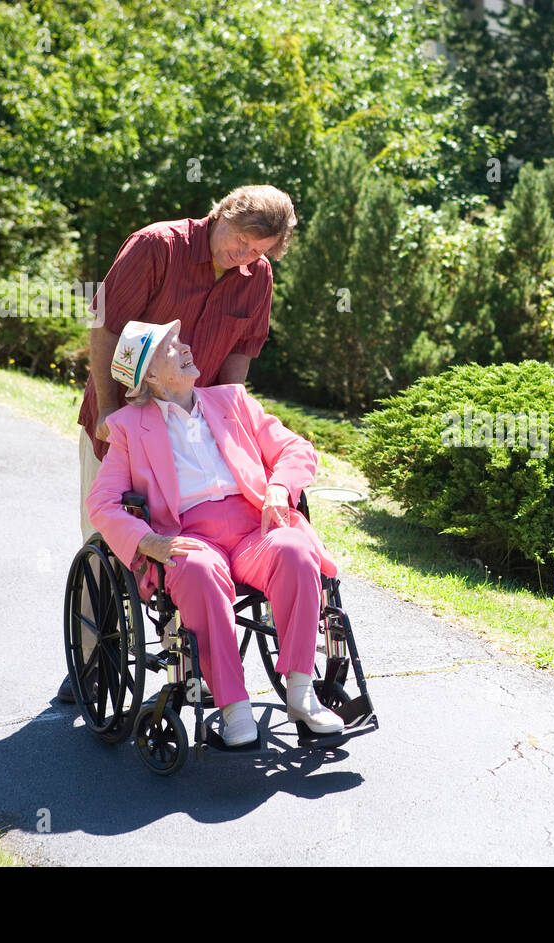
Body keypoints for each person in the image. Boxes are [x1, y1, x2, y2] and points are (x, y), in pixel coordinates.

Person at [60, 184, 295, 704]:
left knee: (182, 537)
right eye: (240, 240)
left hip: (191, 427)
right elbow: (104, 327)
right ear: (224, 215)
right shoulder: (156, 246)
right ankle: (92, 659)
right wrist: (112, 412)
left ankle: (187, 669)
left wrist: (234, 430)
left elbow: (238, 360)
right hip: (120, 419)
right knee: (108, 538)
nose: (244, 256)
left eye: (258, 251)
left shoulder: (255, 278)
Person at [86, 320, 344, 744]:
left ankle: (301, 692)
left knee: (296, 549)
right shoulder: (130, 427)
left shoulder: (233, 400)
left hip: (252, 528)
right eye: (172, 346)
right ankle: (233, 708)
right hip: (191, 534)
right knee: (195, 568)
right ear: (149, 375)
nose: (186, 347)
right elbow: (102, 503)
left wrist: (279, 488)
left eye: (182, 340)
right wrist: (149, 542)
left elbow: (296, 448)